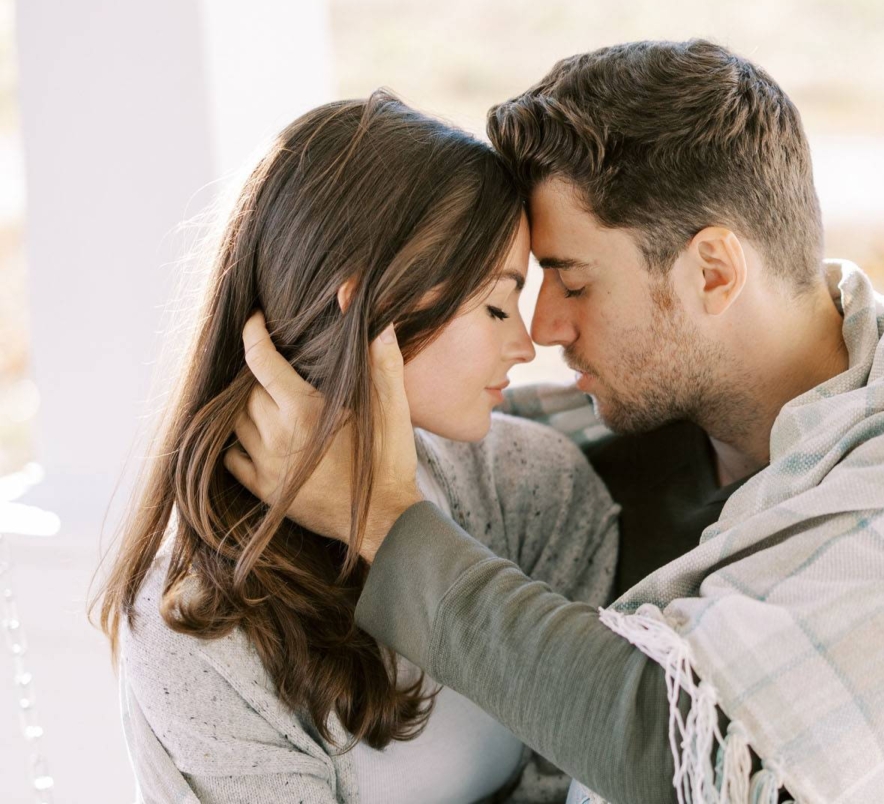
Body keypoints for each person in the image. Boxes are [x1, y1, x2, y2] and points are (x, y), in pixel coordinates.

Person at [228, 40, 884, 804]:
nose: (546, 327)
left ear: (712, 271)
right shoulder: (669, 442)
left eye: (575, 281)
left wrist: (385, 522)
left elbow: (684, 754)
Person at [94, 90, 620, 803]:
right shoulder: (195, 630)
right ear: (368, 310)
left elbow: (591, 762)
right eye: (498, 305)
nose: (526, 345)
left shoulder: (538, 492)